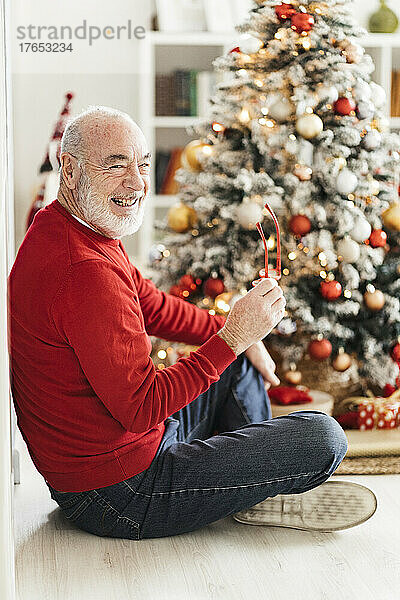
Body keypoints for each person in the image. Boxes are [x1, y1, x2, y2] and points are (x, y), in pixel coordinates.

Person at [8, 105, 360, 541]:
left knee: (235, 361)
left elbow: (153, 305)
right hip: (119, 494)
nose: (137, 183)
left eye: (140, 164)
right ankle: (255, 489)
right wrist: (233, 336)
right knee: (325, 437)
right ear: (72, 171)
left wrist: (233, 336)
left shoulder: (67, 227)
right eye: (115, 166)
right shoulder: (83, 270)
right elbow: (141, 409)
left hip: (125, 457)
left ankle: (250, 489)